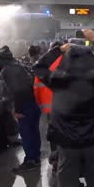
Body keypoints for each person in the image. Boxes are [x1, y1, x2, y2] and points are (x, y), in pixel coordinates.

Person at [33, 30, 94, 187]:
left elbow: (39, 67)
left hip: (67, 140)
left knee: (67, 178)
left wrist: (58, 50)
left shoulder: (59, 80)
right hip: (93, 139)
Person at [0, 45, 41, 173]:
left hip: (25, 105)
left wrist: (18, 110)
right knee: (33, 131)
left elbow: (19, 91)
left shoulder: (8, 70)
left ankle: (30, 160)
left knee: (26, 134)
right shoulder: (19, 65)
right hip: (34, 102)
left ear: (1, 60)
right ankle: (35, 157)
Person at [33, 41, 63, 172]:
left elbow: (36, 88)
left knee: (53, 134)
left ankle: (55, 158)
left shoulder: (43, 67)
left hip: (50, 109)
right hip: (67, 107)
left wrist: (40, 104)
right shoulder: (67, 64)